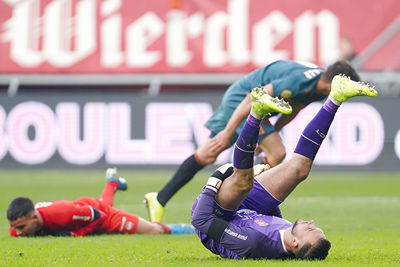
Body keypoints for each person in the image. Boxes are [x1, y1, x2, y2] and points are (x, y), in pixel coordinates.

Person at [144, 59, 361, 222]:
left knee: (207, 153)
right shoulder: (300, 80)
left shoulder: (319, 88)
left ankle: (159, 199)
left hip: (258, 107)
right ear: (335, 82)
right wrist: (229, 131)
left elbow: (295, 107)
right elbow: (252, 98)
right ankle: (251, 204)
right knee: (277, 153)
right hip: (243, 100)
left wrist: (273, 130)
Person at [191, 75, 377, 260]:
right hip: (249, 208)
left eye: (310, 228)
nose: (311, 222)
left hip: (215, 214)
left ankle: (256, 112)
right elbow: (268, 218)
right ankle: (336, 96)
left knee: (243, 183)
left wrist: (217, 178)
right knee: (299, 169)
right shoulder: (288, 234)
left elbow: (201, 221)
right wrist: (271, 196)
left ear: (295, 243)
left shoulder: (254, 243)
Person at [7, 168, 194, 237]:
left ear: (34, 217)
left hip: (97, 213)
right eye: (16, 228)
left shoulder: (61, 212)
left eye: (22, 227)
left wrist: (76, 234)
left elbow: (101, 216)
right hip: (81, 209)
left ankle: (191, 230)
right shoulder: (16, 226)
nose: (18, 232)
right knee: (101, 203)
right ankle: (111, 183)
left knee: (154, 231)